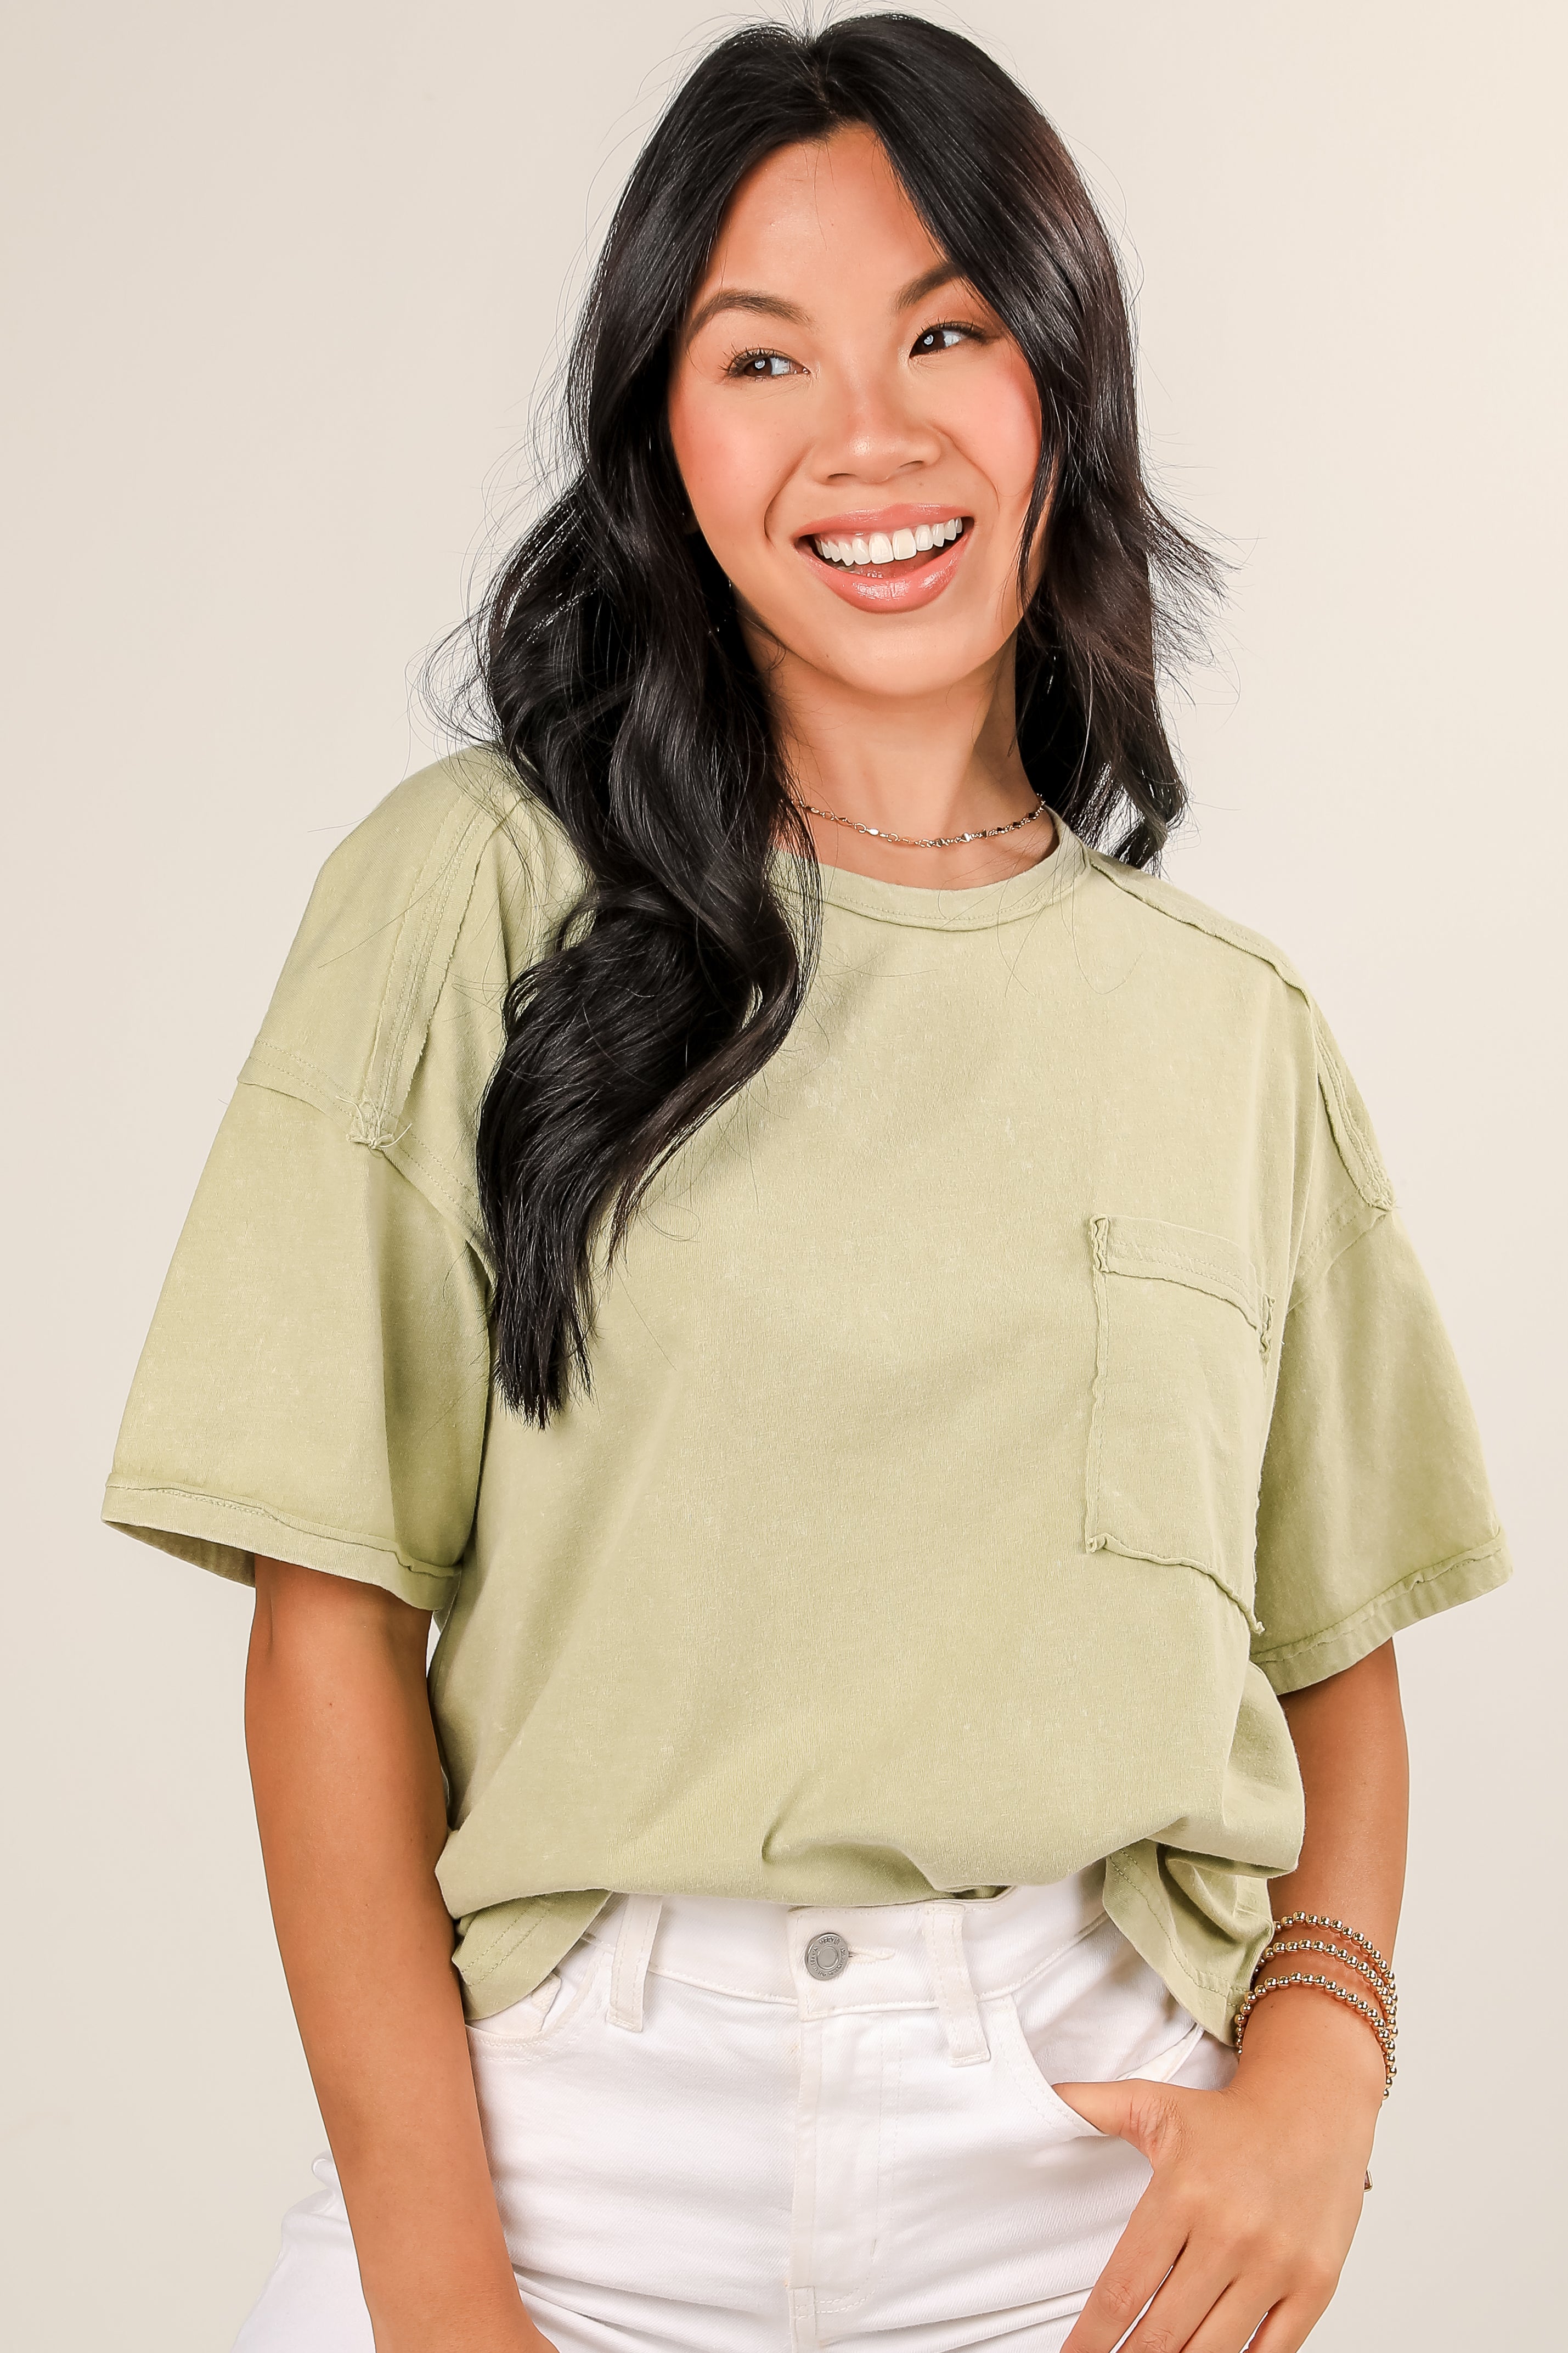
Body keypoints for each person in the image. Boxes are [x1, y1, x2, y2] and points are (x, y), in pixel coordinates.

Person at [103, 16, 1510, 2353]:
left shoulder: (1222, 1023)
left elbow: (1331, 1653)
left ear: (1061, 378)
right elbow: (324, 1620)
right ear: (664, 433)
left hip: (1087, 2173)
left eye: (947, 329)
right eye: (762, 356)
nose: (872, 434)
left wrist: (1321, 2074)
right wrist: (445, 2301)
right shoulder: (466, 898)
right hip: (563, 2155)